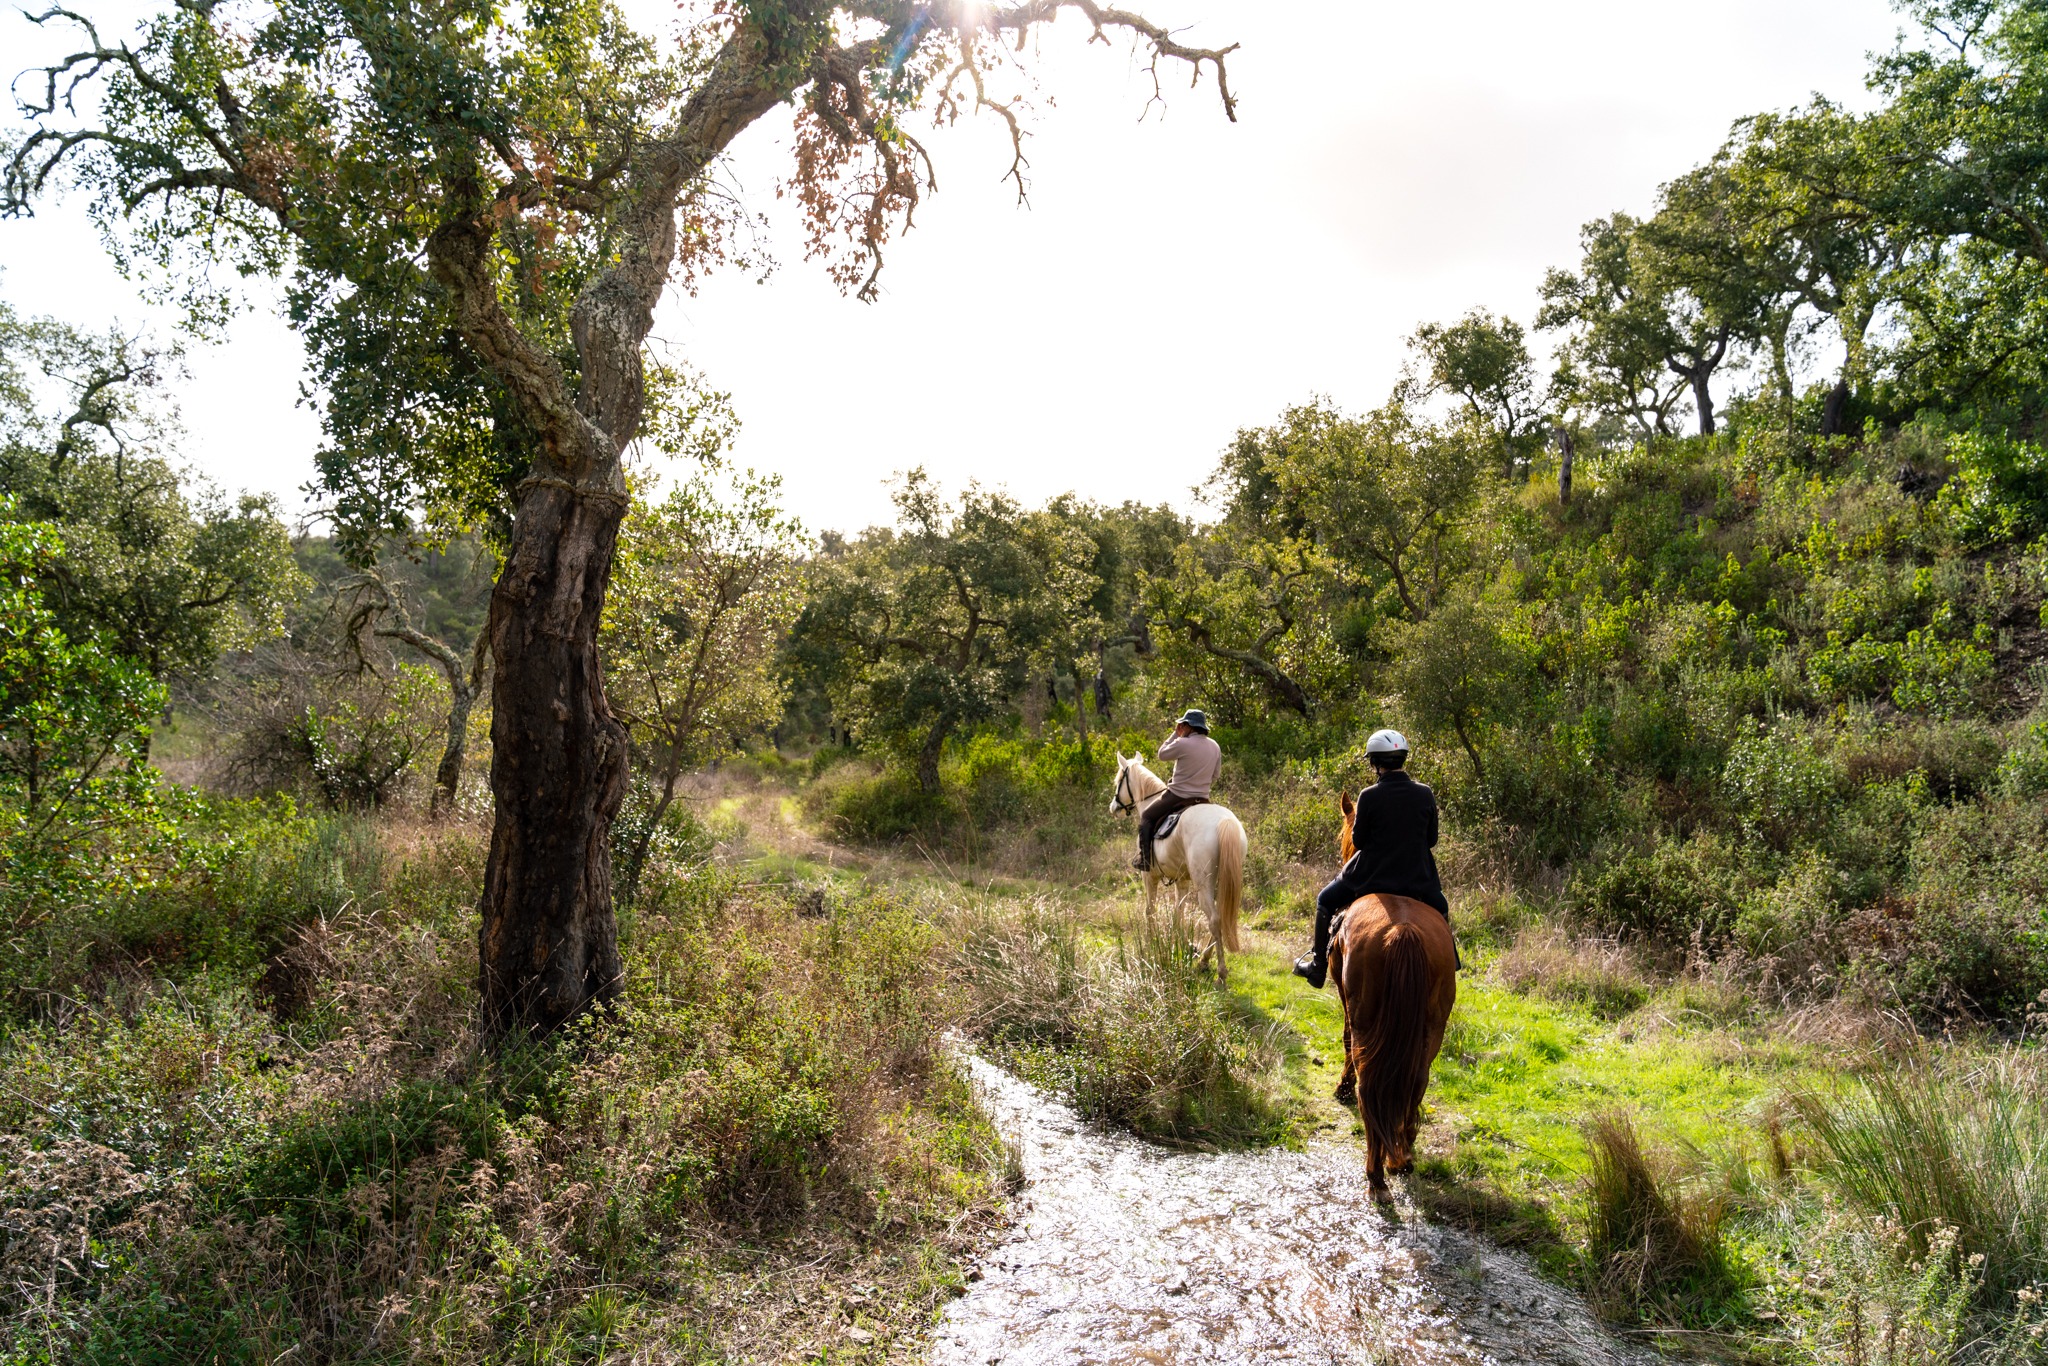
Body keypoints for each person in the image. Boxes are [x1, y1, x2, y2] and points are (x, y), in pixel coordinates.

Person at [1292, 728, 1452, 988]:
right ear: (1403, 758)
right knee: (1441, 908)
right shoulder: (1425, 793)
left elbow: (1360, 842)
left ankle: (1318, 966)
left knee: (1325, 900)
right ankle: (1450, 964)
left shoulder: (1368, 795)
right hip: (1418, 878)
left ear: (1375, 762)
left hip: (1371, 877)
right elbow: (1431, 841)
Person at [1135, 708, 1220, 871]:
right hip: (1203, 798)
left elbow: (1162, 754)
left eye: (1183, 724)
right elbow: (1215, 775)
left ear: (1188, 726)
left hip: (1177, 796)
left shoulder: (1182, 742)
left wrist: (1176, 734)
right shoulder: (1215, 746)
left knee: (1146, 816)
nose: (1181, 727)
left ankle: (1144, 861)